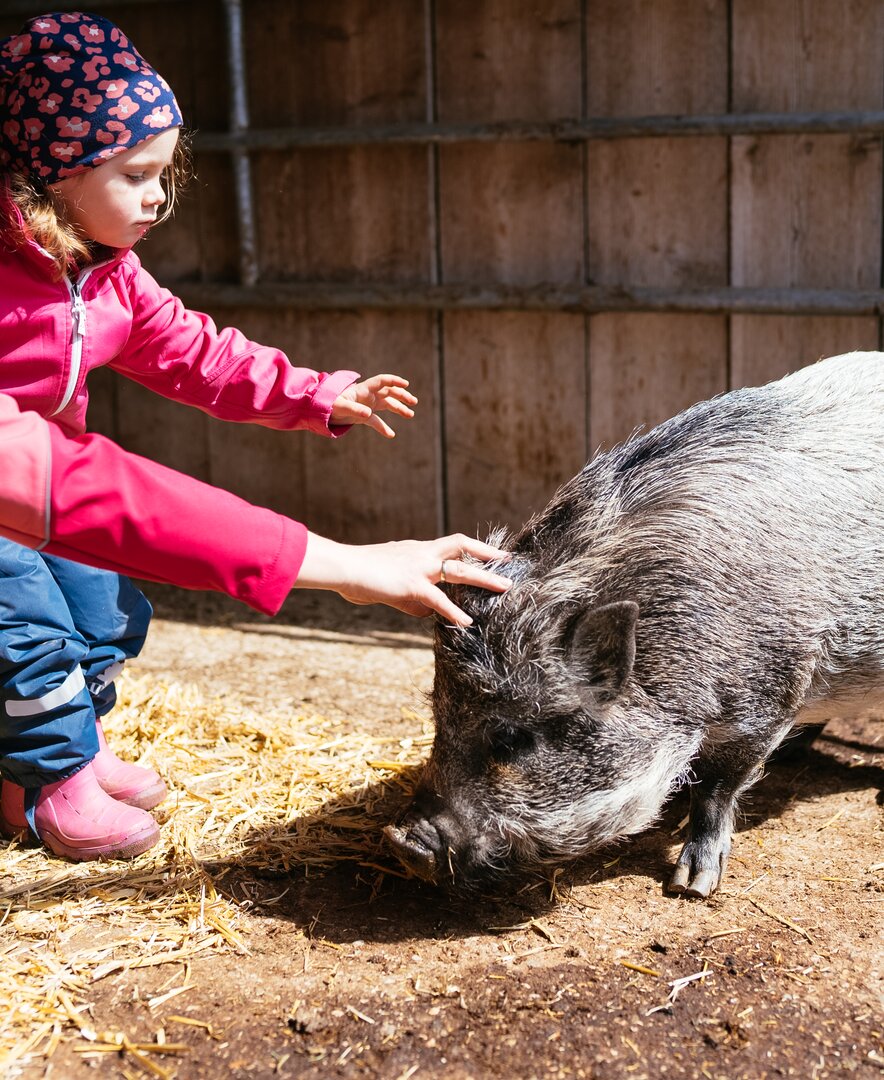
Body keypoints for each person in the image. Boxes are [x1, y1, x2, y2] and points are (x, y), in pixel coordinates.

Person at [0, 12, 510, 863]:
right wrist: (342, 565)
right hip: (25, 488)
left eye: (166, 172)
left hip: (43, 485)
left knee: (105, 613)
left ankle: (53, 762)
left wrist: (315, 394)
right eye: (135, 174)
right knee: (24, 630)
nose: (160, 195)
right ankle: (56, 783)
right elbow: (61, 479)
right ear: (53, 173)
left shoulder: (106, 268)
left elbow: (194, 352)